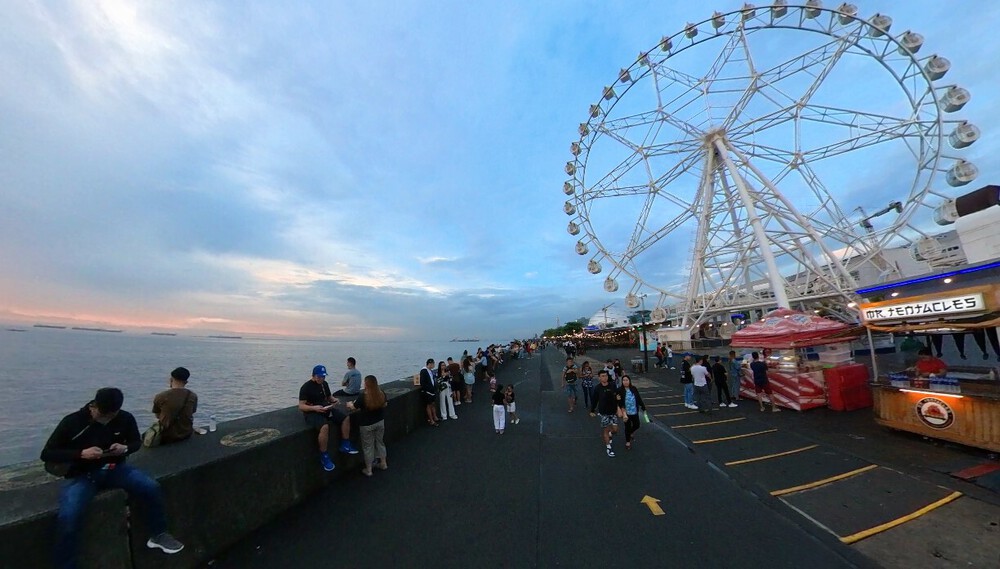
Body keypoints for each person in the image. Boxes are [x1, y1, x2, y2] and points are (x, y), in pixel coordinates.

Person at [42, 387, 185, 568]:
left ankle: (158, 534)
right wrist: (81, 454)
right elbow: (47, 454)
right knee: (69, 515)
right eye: (103, 414)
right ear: (94, 406)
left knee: (150, 487)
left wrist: (124, 448)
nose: (106, 419)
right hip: (82, 475)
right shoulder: (72, 422)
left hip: (115, 468)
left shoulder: (125, 418)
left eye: (111, 415)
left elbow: (135, 442)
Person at [298, 364, 359, 472]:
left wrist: (334, 401)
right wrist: (314, 408)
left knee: (345, 418)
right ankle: (324, 455)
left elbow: (329, 397)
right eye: (320, 377)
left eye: (323, 376)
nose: (322, 379)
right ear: (314, 375)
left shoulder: (324, 384)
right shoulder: (306, 387)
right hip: (312, 412)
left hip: (325, 408)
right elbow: (301, 406)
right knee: (325, 427)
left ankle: (345, 444)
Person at [347, 375, 388, 477]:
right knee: (380, 442)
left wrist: (349, 404)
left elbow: (353, 407)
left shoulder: (363, 396)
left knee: (368, 447)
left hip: (366, 425)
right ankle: (383, 463)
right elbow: (385, 404)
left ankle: (369, 470)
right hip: (379, 422)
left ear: (366, 384)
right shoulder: (381, 393)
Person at [150, 366, 198, 445]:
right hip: (186, 434)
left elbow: (157, 415)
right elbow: (192, 412)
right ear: (186, 382)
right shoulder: (193, 396)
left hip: (166, 436)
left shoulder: (161, 396)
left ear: (171, 380)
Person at [589, 370, 621, 457]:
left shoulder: (612, 385)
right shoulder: (597, 388)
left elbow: (618, 396)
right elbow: (594, 401)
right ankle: (608, 447)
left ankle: (610, 433)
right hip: (604, 413)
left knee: (615, 430)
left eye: (606, 376)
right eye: (602, 376)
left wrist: (619, 407)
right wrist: (592, 411)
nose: (604, 377)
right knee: (606, 430)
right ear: (599, 378)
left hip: (613, 412)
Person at [617, 374, 646, 450]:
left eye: (627, 380)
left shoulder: (634, 388)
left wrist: (643, 406)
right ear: (622, 382)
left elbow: (638, 398)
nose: (625, 382)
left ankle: (630, 432)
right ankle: (628, 442)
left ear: (629, 381)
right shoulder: (620, 390)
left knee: (637, 425)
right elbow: (619, 402)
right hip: (626, 412)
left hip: (634, 411)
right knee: (627, 426)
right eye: (624, 380)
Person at [419, 359, 440, 426]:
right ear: (430, 364)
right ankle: (431, 420)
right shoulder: (424, 371)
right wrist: (428, 389)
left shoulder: (430, 371)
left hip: (432, 391)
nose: (434, 365)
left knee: (433, 404)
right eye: (433, 364)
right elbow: (422, 382)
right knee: (429, 405)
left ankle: (435, 417)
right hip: (427, 392)